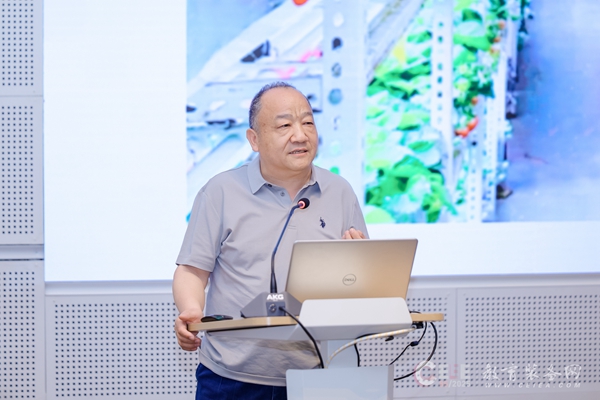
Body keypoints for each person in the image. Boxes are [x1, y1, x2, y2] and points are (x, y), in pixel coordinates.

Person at [173, 81, 368, 399]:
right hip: (231, 377)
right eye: (284, 125)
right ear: (254, 139)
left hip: (319, 373)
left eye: (308, 123)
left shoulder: (340, 191)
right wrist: (191, 310)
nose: (300, 135)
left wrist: (361, 270)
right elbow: (192, 270)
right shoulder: (221, 191)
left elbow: (359, 283)